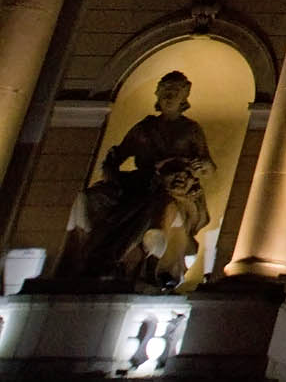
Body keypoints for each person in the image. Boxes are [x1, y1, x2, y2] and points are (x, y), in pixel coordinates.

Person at [57, 71, 215, 287]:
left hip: (173, 189)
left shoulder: (190, 130)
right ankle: (81, 257)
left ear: (184, 97)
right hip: (137, 182)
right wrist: (112, 175)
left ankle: (116, 259)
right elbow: (115, 158)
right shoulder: (144, 129)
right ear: (158, 95)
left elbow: (208, 167)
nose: (169, 96)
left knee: (152, 206)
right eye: (165, 91)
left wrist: (200, 165)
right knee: (92, 197)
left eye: (175, 92)